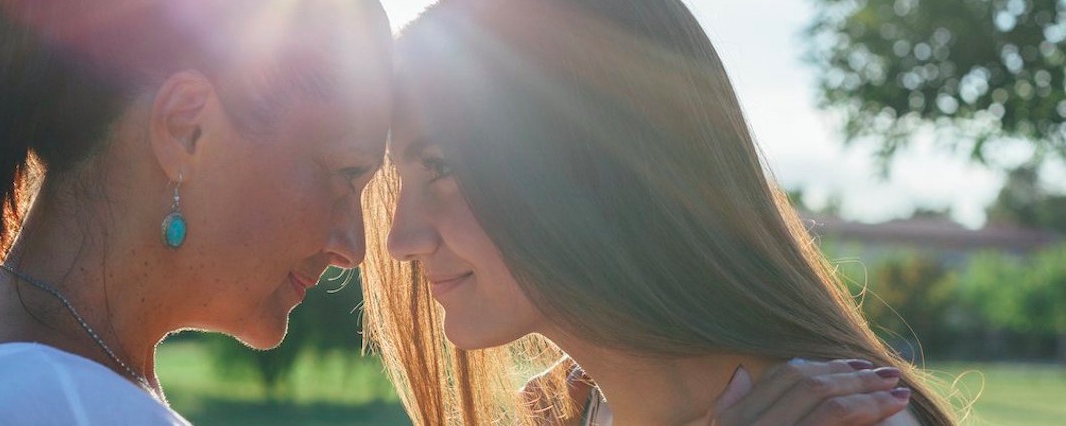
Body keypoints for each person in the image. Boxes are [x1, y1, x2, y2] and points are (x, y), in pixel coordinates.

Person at [360, 0, 958, 424]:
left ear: (593, 163)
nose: (399, 239)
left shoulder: (843, 420)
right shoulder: (572, 410)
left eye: (441, 167)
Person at [0, 0, 392, 423]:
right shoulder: (44, 408)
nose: (352, 246)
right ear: (186, 129)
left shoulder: (33, 392)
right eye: (345, 175)